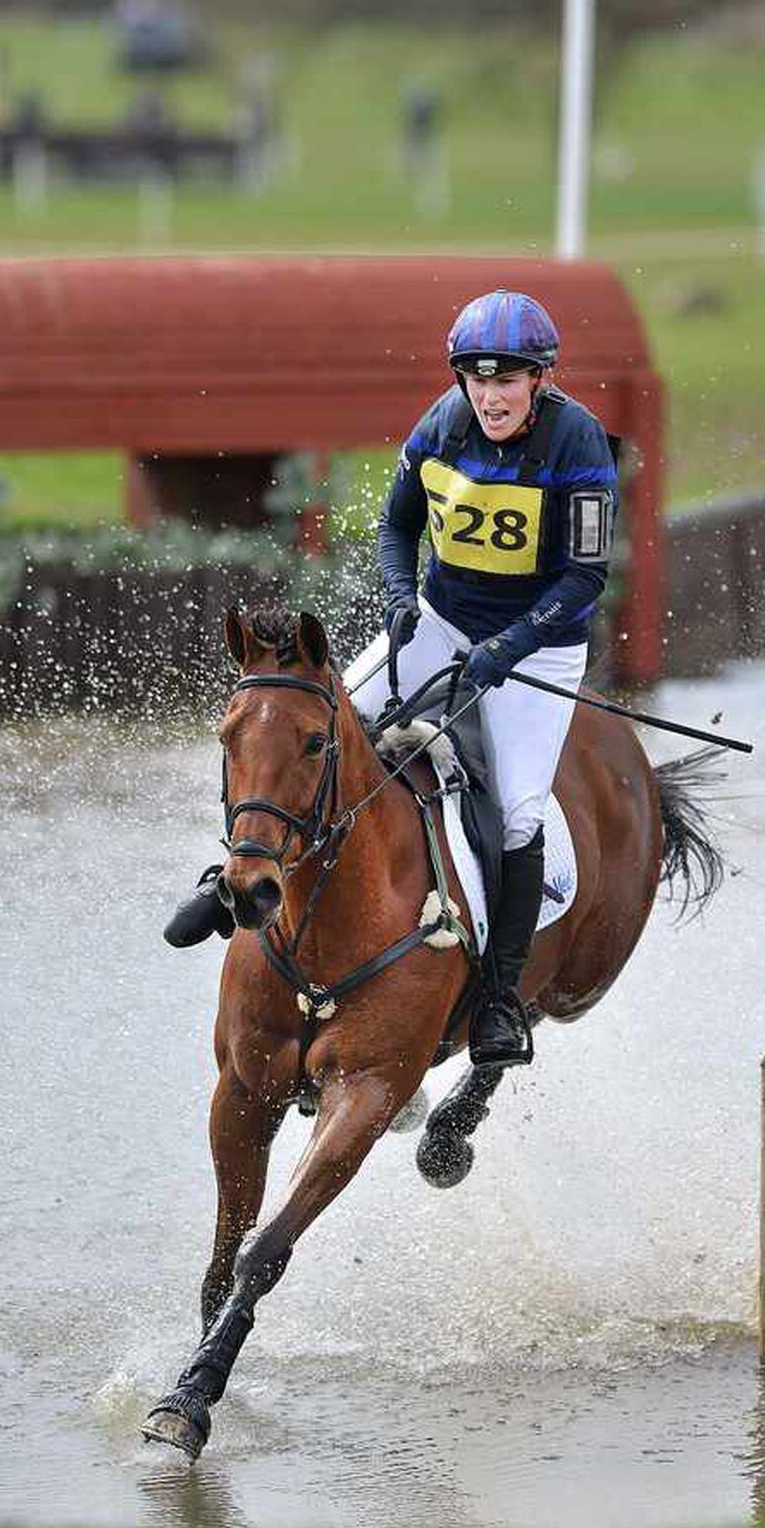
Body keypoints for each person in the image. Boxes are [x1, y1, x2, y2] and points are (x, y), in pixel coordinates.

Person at [163, 289, 618, 1071]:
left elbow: (584, 577)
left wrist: (508, 648)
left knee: (515, 814)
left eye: (507, 380)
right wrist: (403, 596)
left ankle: (503, 999)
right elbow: (396, 526)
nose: (490, 395)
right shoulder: (442, 423)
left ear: (540, 379)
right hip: (439, 625)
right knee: (320, 730)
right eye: (477, 379)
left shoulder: (578, 444)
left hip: (537, 651)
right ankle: (235, 871)